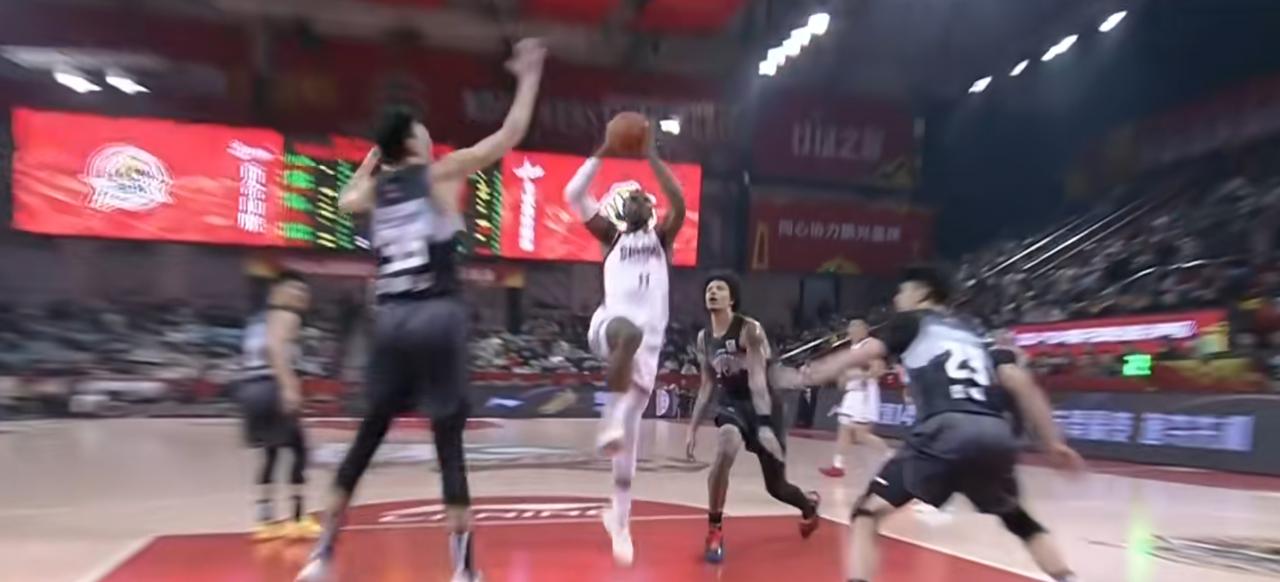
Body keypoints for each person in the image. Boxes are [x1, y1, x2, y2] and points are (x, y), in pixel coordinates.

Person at [295, 38, 546, 582]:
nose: (430, 134)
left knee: (365, 442)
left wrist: (375, 157)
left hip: (391, 321)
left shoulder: (376, 191)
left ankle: (321, 556)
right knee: (449, 448)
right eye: (422, 130)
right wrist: (529, 75)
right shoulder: (442, 172)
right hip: (437, 316)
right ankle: (463, 571)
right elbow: (510, 135)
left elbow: (345, 198)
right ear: (413, 142)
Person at [794, 265, 1085, 582]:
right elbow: (1019, 380)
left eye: (902, 291)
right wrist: (1053, 442)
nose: (897, 298)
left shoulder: (912, 321)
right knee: (1019, 520)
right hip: (993, 433)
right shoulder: (975, 332)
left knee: (866, 514)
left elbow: (863, 354)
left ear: (921, 292)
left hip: (944, 430)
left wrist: (812, 373)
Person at [563, 126, 686, 566]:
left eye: (641, 195)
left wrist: (651, 156)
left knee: (625, 455)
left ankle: (620, 521)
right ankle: (610, 420)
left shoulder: (661, 239)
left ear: (649, 207)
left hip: (646, 355)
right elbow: (573, 193)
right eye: (628, 195)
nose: (637, 199)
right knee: (628, 334)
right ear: (620, 208)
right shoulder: (611, 237)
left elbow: (680, 202)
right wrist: (604, 148)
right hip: (610, 328)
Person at [685, 272, 821, 564]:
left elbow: (758, 380)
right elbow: (707, 385)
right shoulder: (704, 339)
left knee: (777, 487)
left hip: (763, 404)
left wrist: (764, 425)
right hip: (731, 404)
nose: (713, 292)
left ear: (732, 298)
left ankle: (808, 505)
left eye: (720, 288)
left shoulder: (750, 330)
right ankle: (714, 530)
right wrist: (692, 428)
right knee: (725, 448)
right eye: (709, 289)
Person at [237, 270, 319, 540]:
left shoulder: (257, 320)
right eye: (295, 290)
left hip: (251, 387)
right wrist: (289, 387)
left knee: (270, 453)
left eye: (304, 291)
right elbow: (275, 348)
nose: (301, 296)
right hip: (272, 386)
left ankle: (265, 520)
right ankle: (297, 518)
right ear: (277, 293)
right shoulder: (287, 316)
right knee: (300, 451)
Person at [818, 318, 889, 479]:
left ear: (864, 330)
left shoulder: (869, 346)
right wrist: (843, 379)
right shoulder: (853, 349)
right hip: (852, 394)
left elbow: (879, 370)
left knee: (860, 435)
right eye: (850, 328)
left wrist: (858, 375)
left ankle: (890, 457)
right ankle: (838, 466)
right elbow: (845, 377)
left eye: (855, 328)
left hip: (864, 394)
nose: (851, 331)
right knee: (844, 430)